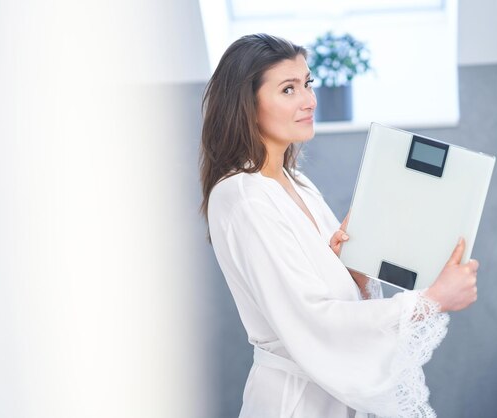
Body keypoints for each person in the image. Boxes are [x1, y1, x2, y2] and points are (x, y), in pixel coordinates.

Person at [200, 33, 478, 418]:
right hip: (294, 404)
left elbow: (325, 296)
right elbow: (311, 319)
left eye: (307, 83)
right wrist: (430, 301)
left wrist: (354, 275)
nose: (309, 100)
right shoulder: (244, 197)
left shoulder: (296, 182)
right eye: (288, 89)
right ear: (247, 104)